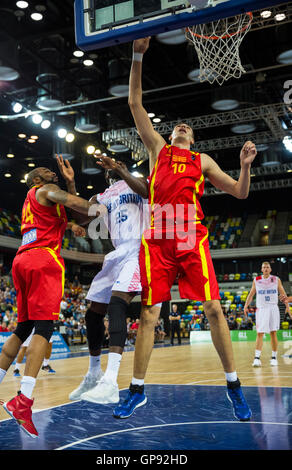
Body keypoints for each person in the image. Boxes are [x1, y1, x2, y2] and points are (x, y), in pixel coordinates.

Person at [97, 37, 256, 422]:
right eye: (178, 126)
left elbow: (238, 192)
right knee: (149, 314)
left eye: (187, 127)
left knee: (215, 310)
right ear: (171, 136)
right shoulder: (157, 149)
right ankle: (136, 391)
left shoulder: (201, 160)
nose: (182, 127)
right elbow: (135, 103)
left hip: (188, 236)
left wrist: (245, 165)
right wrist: (137, 55)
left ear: (194, 138)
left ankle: (234, 387)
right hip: (157, 241)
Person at [0, 165, 98, 437]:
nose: (54, 172)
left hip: (22, 260)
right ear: (36, 180)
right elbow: (78, 205)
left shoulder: (42, 201)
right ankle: (23, 401)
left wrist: (73, 185)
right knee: (45, 328)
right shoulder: (46, 189)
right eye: (46, 171)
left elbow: (74, 215)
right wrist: (104, 204)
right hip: (43, 259)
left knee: (23, 328)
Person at [56, 155, 148, 405]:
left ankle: (111, 381)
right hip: (117, 253)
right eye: (111, 168)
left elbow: (150, 192)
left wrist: (122, 170)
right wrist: (72, 185)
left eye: (117, 165)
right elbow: (82, 216)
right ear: (106, 175)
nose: (113, 169)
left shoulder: (138, 182)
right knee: (93, 312)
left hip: (139, 249)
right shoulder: (103, 195)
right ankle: (94, 373)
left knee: (117, 305)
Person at [244, 261, 289, 367]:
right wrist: (246, 305)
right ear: (261, 269)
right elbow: (251, 294)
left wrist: (287, 306)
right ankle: (256, 358)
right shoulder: (257, 280)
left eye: (267, 267)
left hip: (273, 308)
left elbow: (283, 294)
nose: (266, 269)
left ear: (270, 269)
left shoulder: (276, 280)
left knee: (273, 333)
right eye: (264, 267)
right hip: (262, 309)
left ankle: (274, 358)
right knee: (260, 333)